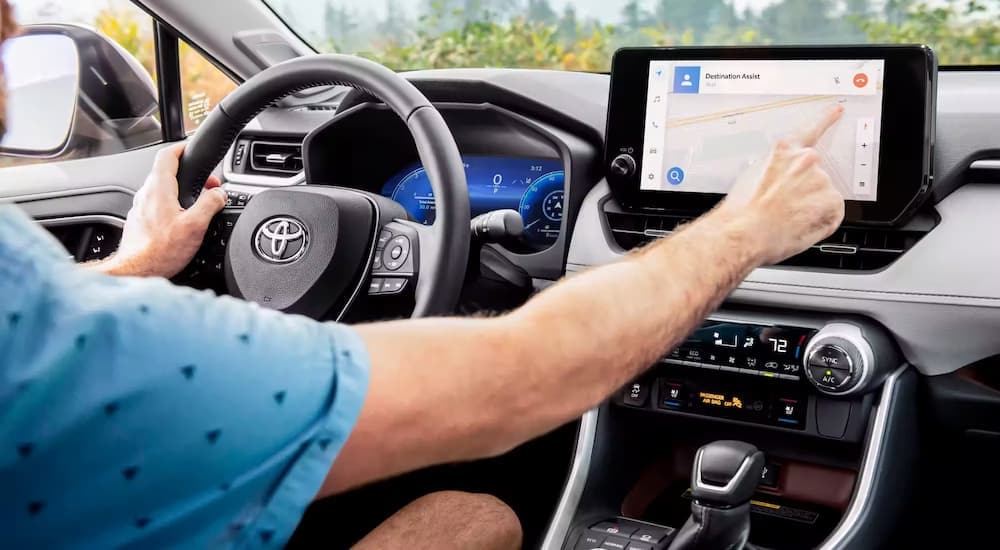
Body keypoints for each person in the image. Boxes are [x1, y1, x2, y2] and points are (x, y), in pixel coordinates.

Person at [0, 2, 845, 548]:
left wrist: (142, 265)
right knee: (480, 518)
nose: (12, 27)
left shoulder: (45, 325)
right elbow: (521, 381)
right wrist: (744, 227)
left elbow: (62, 324)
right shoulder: (55, 347)